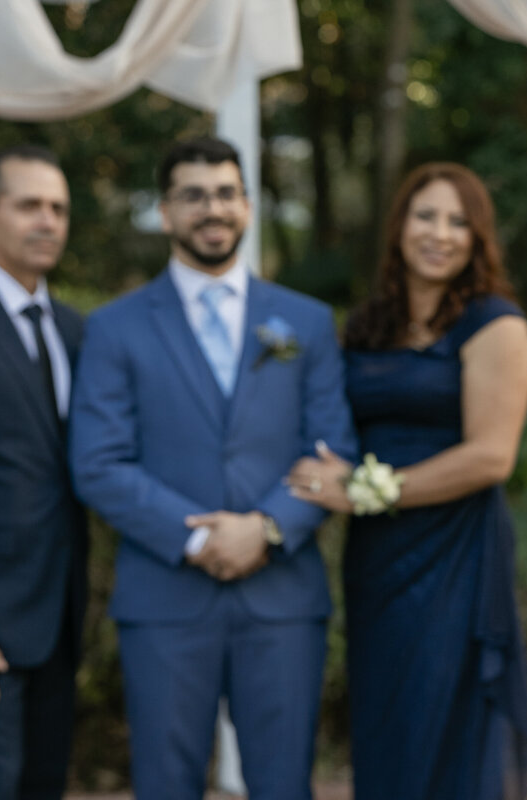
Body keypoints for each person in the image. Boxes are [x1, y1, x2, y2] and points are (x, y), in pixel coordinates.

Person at [68, 136, 358, 800]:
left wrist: (265, 527)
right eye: (193, 195)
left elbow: (331, 450)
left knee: (285, 786)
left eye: (226, 193)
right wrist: (198, 537)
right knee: (166, 785)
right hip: (166, 600)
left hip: (281, 598)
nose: (212, 209)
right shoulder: (113, 329)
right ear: (166, 213)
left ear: (248, 207)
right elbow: (98, 462)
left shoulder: (305, 323)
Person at [285, 162, 527, 799]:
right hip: (377, 556)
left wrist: (373, 491)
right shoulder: (368, 325)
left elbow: (491, 457)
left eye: (459, 221)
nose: (441, 233)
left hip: (455, 549)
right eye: (426, 215)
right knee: (385, 711)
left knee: (444, 707)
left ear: (478, 238)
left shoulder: (495, 324)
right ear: (399, 226)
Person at [0, 145, 87, 799]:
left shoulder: (77, 329)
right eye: (29, 205)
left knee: (44, 785)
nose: (48, 221)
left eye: (58, 207)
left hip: (60, 616)